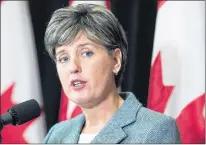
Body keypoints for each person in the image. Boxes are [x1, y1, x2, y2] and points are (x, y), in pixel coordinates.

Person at [43, 3, 181, 144]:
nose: (73, 67)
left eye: (86, 53)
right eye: (64, 58)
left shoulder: (156, 130)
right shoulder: (57, 134)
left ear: (115, 60)